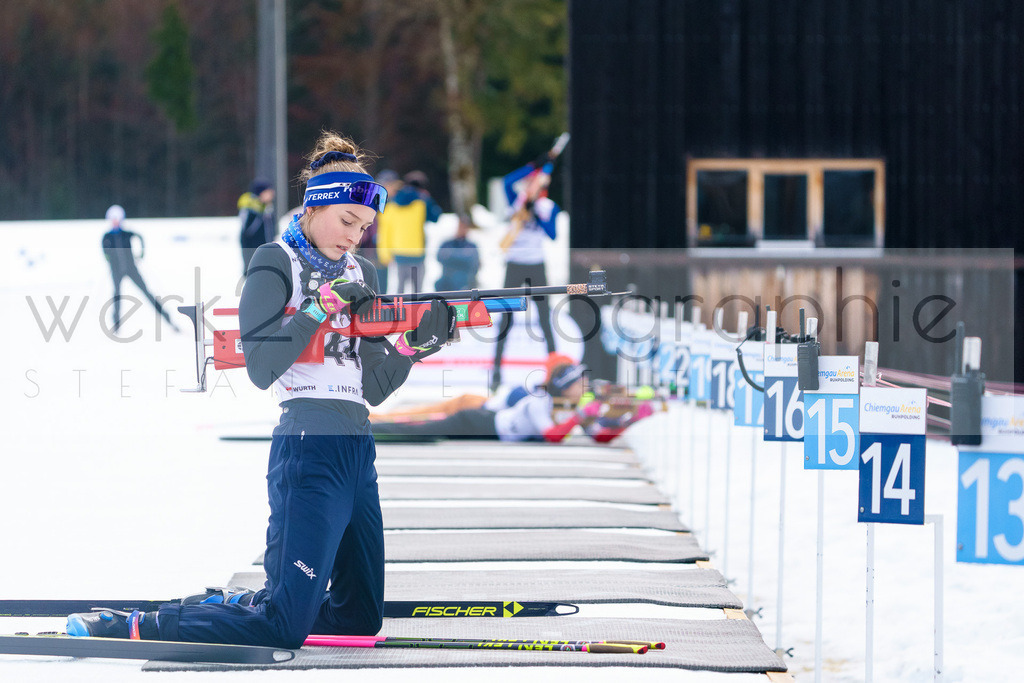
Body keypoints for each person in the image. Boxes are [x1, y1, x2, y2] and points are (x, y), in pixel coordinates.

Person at [68, 132, 456, 648]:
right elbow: (261, 366)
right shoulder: (274, 262)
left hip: (358, 451)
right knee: (281, 627)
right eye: (346, 222)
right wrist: (319, 307)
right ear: (315, 208)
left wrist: (413, 346)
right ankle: (142, 623)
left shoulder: (362, 270)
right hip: (308, 450)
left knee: (360, 619)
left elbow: (374, 388)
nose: (354, 238)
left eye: (363, 228)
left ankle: (258, 603)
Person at [373, 362, 587, 442]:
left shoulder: (564, 405)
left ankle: (373, 426)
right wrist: (581, 417)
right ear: (565, 388)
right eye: (579, 383)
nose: (584, 386)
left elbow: (597, 434)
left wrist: (614, 418)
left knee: (423, 426)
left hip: (484, 421)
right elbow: (552, 436)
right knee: (420, 427)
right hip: (477, 420)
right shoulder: (541, 402)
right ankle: (371, 428)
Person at [490, 153, 562, 390]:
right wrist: (533, 164)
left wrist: (536, 215)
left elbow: (552, 235)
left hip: (536, 266)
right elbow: (506, 182)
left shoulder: (549, 207)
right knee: (506, 318)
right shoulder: (516, 201)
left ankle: (555, 370)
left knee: (544, 318)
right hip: (515, 265)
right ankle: (497, 371)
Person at [100, 204, 179, 333]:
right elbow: (105, 251)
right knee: (116, 296)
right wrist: (109, 260)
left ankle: (168, 319)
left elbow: (140, 238)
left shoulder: (127, 234)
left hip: (132, 269)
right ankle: (116, 325)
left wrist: (141, 254)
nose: (115, 221)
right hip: (116, 271)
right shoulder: (107, 236)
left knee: (147, 293)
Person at [376, 170, 442, 294]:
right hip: (418, 252)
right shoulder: (421, 201)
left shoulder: (389, 207)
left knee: (400, 291)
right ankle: (418, 312)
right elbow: (435, 216)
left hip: (399, 253)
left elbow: (385, 233)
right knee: (417, 292)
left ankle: (400, 313)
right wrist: (426, 197)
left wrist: (384, 255)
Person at [362, 169, 402, 293]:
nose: (395, 190)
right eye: (392, 186)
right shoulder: (373, 203)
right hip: (371, 250)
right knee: (371, 285)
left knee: (382, 286)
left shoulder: (392, 203)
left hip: (383, 250)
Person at [239, 177, 276, 275]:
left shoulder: (267, 208)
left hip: (265, 248)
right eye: (268, 191)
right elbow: (248, 230)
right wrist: (261, 215)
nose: (272, 193)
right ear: (261, 193)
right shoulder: (250, 208)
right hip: (252, 249)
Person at [434, 214, 480, 291]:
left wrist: (451, 256)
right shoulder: (447, 243)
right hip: (447, 281)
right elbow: (440, 257)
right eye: (460, 226)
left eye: (465, 227)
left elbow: (474, 263)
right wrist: (463, 257)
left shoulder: (472, 245)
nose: (462, 229)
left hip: (465, 282)